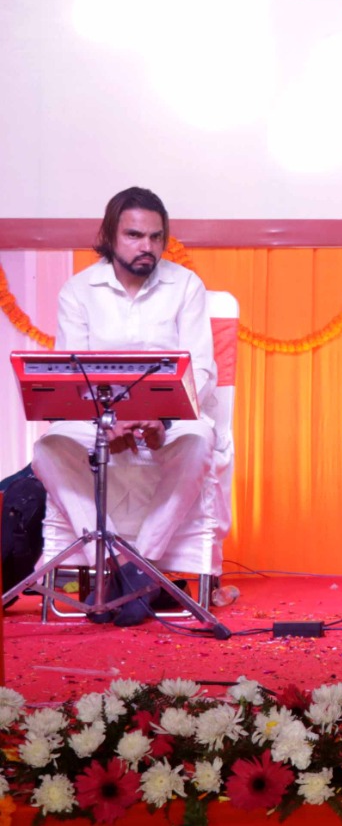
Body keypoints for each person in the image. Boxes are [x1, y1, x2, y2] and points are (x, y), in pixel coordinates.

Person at [31, 187, 216, 625]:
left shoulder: (186, 286)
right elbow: (73, 375)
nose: (146, 246)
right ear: (110, 236)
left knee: (197, 443)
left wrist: (162, 417)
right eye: (134, 235)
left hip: (169, 416)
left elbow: (201, 370)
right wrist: (106, 422)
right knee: (47, 448)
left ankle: (134, 568)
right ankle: (121, 565)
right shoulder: (79, 290)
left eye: (155, 237)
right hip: (100, 418)